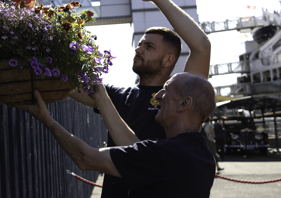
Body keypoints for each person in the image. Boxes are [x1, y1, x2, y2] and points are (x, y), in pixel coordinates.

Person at [68, 0, 211, 197]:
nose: (139, 49)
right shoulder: (116, 95)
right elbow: (66, 85)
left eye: (149, 46)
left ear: (168, 60)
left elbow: (202, 46)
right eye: (140, 44)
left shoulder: (180, 97)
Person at [19, 72, 217, 198]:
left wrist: (46, 119)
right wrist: (103, 98)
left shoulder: (166, 155)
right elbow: (133, 147)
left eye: (166, 90)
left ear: (184, 104)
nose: (157, 96)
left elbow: (86, 158)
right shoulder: (202, 156)